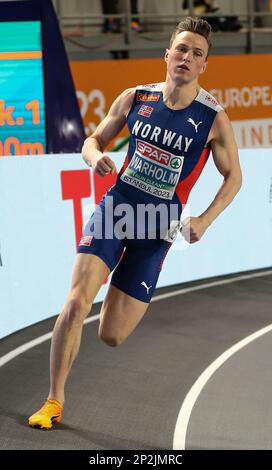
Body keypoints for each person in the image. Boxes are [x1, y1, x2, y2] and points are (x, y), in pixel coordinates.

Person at [28, 16, 242, 429]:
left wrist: (206, 220)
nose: (187, 57)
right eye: (181, 49)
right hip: (118, 209)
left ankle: (115, 287)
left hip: (159, 228)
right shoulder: (135, 98)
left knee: (112, 335)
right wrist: (95, 158)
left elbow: (235, 178)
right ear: (167, 54)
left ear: (204, 65)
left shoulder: (213, 118)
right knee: (75, 304)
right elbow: (93, 140)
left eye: (197, 53)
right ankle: (54, 401)